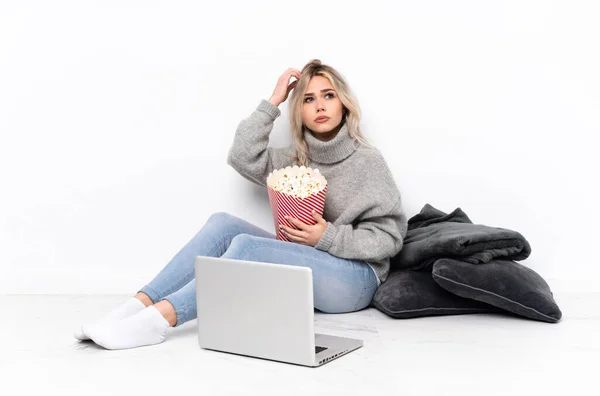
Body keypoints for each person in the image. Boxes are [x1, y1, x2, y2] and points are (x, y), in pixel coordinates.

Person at [73, 59, 409, 350]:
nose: (319, 106)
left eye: (328, 96)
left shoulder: (368, 161)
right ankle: (135, 307)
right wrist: (274, 100)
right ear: (300, 111)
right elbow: (243, 156)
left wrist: (328, 237)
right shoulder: (295, 160)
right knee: (221, 225)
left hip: (357, 279)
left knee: (248, 247)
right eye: (308, 99)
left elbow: (390, 238)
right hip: (314, 266)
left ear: (344, 104)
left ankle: (158, 322)